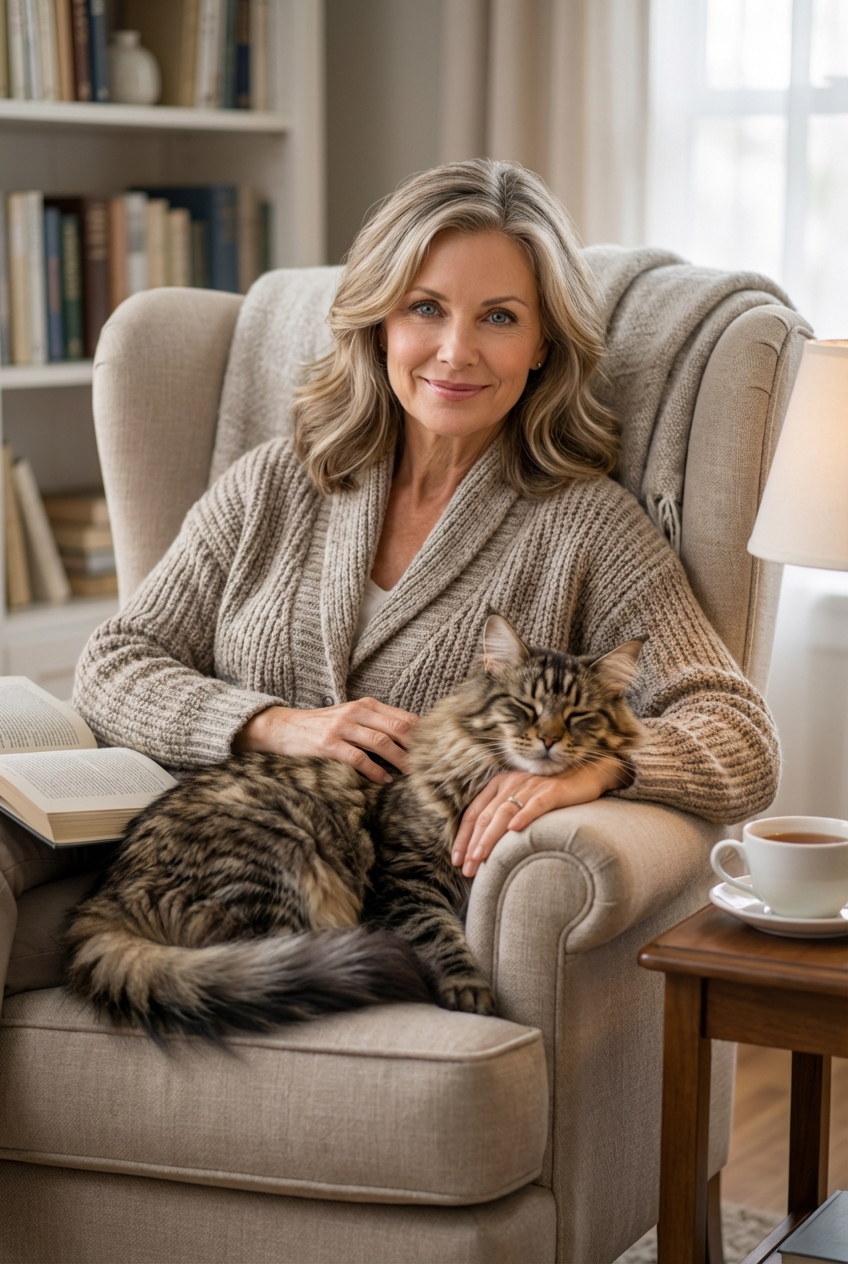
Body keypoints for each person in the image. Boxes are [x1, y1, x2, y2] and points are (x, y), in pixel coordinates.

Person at [0, 160, 779, 1006]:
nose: (456, 351)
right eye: (426, 308)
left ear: (542, 344)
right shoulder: (277, 482)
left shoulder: (586, 527)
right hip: (194, 858)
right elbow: (115, 663)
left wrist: (596, 769)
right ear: (379, 324)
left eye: (500, 317)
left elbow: (738, 734)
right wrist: (273, 723)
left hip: (392, 900)